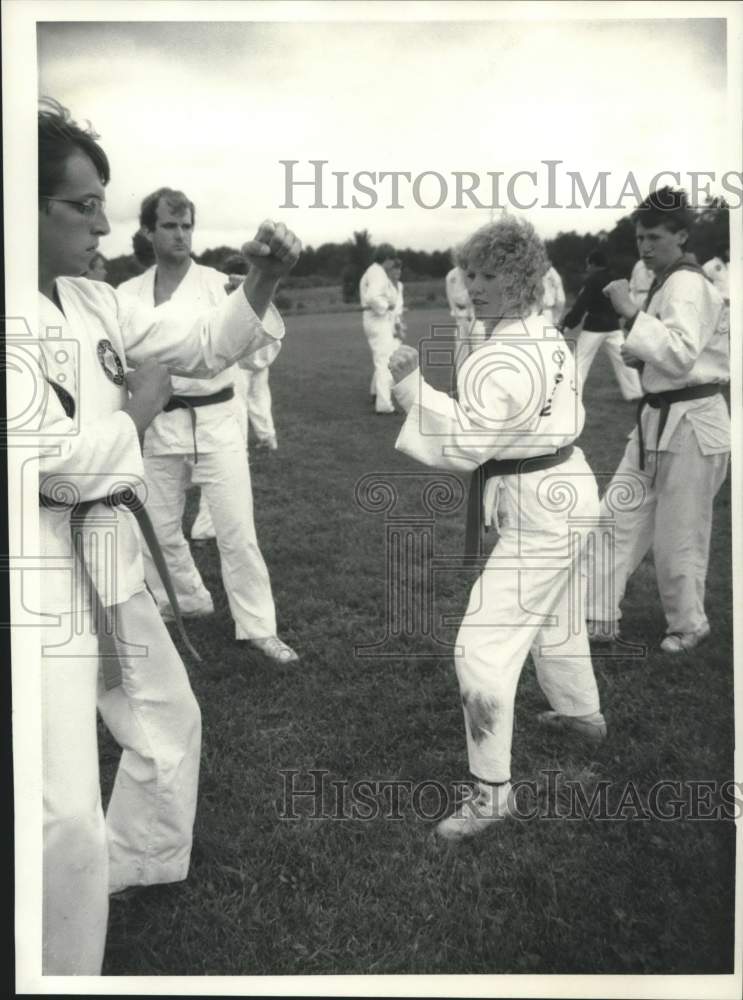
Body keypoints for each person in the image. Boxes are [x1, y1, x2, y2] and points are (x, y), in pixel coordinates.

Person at [32, 100, 301, 974]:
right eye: (84, 205)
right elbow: (49, 467)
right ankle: (53, 964)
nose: (103, 225)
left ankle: (135, 862)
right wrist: (139, 414)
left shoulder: (89, 298)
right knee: (59, 805)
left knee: (164, 716)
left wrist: (260, 280)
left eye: (104, 203)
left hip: (105, 550)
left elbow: (203, 343)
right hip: (36, 572)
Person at [388, 217, 606, 841]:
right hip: (568, 488)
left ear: (523, 279)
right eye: (472, 275)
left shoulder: (507, 353)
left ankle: (491, 795)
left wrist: (411, 388)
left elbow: (467, 442)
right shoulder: (542, 333)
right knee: (556, 614)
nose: (475, 287)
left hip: (543, 507)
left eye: (491, 276)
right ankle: (582, 715)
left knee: (481, 647)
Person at [118, 189, 298, 664]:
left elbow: (259, 357)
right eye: (169, 226)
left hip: (218, 420)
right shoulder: (127, 294)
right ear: (148, 231)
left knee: (237, 531)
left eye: (186, 226)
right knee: (158, 529)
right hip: (159, 422)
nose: (180, 235)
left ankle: (258, 627)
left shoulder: (222, 285)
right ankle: (188, 597)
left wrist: (256, 295)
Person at [586, 188, 729, 653]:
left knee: (678, 532)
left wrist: (630, 312)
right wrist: (640, 354)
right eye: (640, 238)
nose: (645, 247)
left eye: (655, 237)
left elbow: (682, 353)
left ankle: (688, 624)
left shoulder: (687, 283)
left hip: (692, 422)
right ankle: (598, 614)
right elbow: (670, 351)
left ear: (682, 236)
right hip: (657, 417)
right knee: (615, 515)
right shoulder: (667, 282)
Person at [561, 250, 642, 401]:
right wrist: (616, 316)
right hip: (613, 326)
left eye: (588, 265)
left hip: (594, 327)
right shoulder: (617, 279)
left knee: (580, 361)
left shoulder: (591, 281)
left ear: (593, 264)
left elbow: (580, 305)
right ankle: (635, 393)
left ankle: (571, 395)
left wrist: (567, 324)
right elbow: (625, 302)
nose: (587, 268)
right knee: (624, 360)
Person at [359, 245, 402, 414]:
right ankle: (384, 405)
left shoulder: (373, 271)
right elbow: (372, 297)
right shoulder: (378, 273)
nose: (393, 264)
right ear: (387, 259)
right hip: (377, 318)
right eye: (392, 259)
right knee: (384, 361)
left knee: (382, 358)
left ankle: (375, 393)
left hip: (373, 318)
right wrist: (386, 306)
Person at [541, 259, 565, 327]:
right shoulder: (550, 274)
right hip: (546, 307)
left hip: (547, 308)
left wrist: (556, 318)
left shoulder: (553, 275)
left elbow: (561, 299)